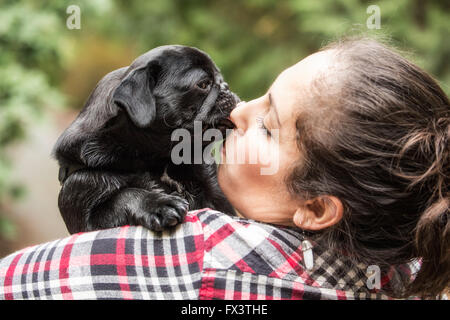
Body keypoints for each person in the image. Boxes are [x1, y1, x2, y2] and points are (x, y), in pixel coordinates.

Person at [0, 37, 448, 300]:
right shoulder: (405, 265)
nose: (237, 112)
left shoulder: (202, 256)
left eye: (268, 127)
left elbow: (15, 282)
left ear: (315, 207)